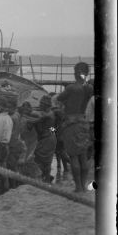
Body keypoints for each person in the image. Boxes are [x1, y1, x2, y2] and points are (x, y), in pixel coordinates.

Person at [56, 62, 93, 192]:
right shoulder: (89, 88)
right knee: (83, 156)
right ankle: (83, 185)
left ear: (76, 73)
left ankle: (78, 187)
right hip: (83, 122)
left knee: (73, 156)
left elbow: (58, 98)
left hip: (71, 123)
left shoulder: (72, 88)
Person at [27, 95, 57, 184]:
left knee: (39, 160)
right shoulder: (50, 113)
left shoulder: (47, 115)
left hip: (47, 139)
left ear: (46, 105)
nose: (40, 105)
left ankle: (42, 179)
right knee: (47, 161)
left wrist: (27, 113)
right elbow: (52, 128)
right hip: (51, 137)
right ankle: (47, 178)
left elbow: (36, 116)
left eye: (41, 104)